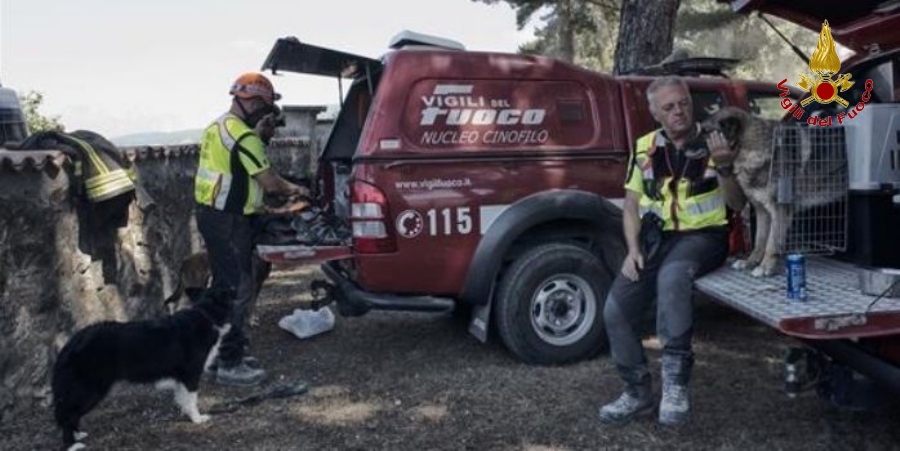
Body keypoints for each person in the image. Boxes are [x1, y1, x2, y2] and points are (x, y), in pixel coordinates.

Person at [598, 76, 745, 426]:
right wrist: (632, 250)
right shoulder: (645, 147)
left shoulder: (716, 140)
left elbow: (738, 204)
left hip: (703, 238)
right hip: (656, 240)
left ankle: (676, 387)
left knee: (672, 278)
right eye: (669, 107)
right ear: (655, 113)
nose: (678, 111)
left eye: (683, 103)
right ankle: (636, 394)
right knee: (616, 309)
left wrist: (725, 166)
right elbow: (631, 205)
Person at [194, 72, 307, 386]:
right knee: (237, 290)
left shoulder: (216, 127)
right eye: (265, 110)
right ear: (253, 103)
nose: (265, 117)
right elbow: (270, 183)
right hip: (228, 221)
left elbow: (233, 175)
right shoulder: (244, 137)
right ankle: (230, 363)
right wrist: (299, 190)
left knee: (222, 287)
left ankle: (216, 356)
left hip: (211, 214)